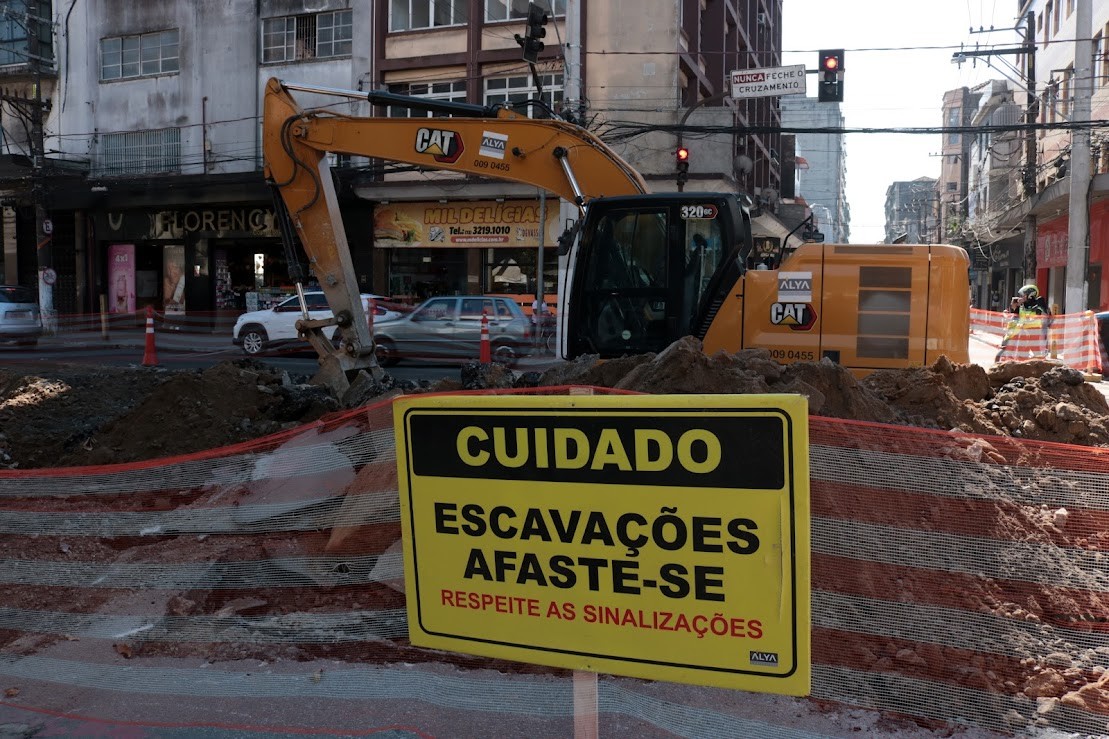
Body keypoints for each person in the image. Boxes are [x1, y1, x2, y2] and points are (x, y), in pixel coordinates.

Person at [995, 284, 1050, 362]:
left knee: (1035, 351)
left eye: (1024, 295)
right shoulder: (1022, 305)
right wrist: (1012, 307)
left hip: (1034, 331)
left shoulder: (1038, 304)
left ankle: (1039, 363)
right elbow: (1015, 315)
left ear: (1031, 295)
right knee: (1021, 349)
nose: (1021, 297)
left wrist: (1040, 310)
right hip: (1022, 329)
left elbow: (1045, 313)